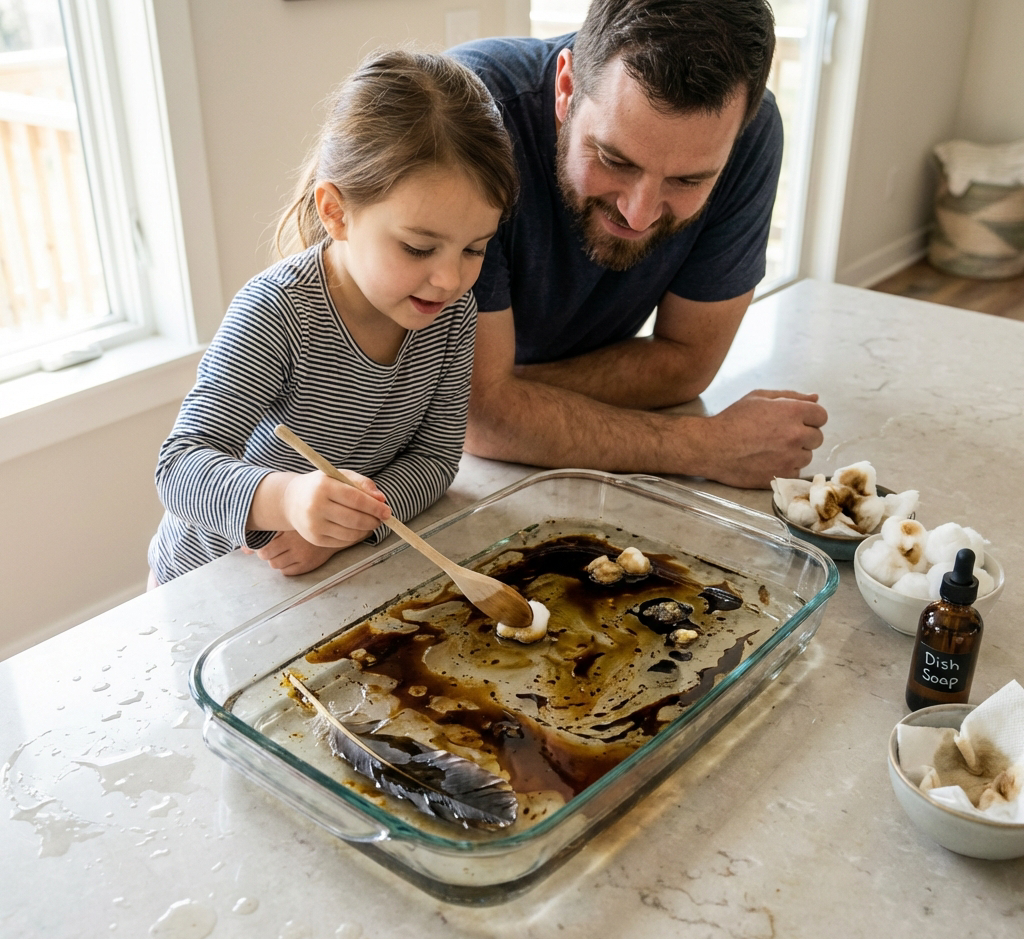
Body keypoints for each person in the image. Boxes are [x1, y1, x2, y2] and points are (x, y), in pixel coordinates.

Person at [147, 51, 517, 585]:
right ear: (336, 212)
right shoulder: (277, 311)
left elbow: (436, 460)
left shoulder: (454, 314)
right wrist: (289, 501)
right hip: (211, 581)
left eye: (475, 249)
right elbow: (180, 467)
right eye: (418, 248)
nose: (449, 279)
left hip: (323, 578)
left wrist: (351, 528)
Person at [451, 0, 827, 489]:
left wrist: (504, 397)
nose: (639, 213)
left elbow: (687, 361)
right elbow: (475, 417)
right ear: (566, 89)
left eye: (688, 180)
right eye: (614, 159)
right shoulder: (465, 120)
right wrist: (707, 446)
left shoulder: (751, 135)